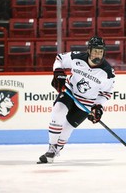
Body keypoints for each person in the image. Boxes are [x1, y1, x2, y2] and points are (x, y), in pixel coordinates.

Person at [38, 36, 115, 164]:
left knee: (67, 128)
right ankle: (51, 147)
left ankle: (57, 150)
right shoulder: (77, 57)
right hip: (70, 92)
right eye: (95, 50)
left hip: (86, 103)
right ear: (89, 50)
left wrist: (97, 106)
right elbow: (59, 59)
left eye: (100, 51)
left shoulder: (107, 72)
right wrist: (58, 72)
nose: (98, 54)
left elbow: (106, 93)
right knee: (58, 111)